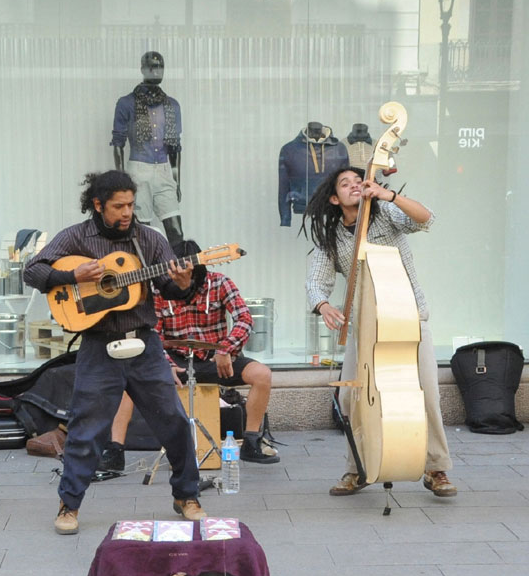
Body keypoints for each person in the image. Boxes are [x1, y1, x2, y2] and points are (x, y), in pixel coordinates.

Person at [23, 170, 205, 535]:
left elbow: (169, 287)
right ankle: (69, 504)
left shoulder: (149, 239)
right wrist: (73, 277)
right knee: (85, 428)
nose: (126, 213)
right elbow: (33, 271)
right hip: (98, 345)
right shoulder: (76, 237)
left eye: (131, 205)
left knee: (173, 420)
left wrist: (184, 285)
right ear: (98, 205)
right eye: (118, 206)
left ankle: (187, 496)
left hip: (144, 345)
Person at [302, 164, 456, 498]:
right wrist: (323, 305)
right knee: (350, 398)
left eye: (359, 180)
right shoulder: (332, 237)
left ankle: (436, 467)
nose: (354, 185)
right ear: (334, 198)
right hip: (365, 327)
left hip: (409, 319)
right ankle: (357, 467)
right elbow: (315, 280)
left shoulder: (385, 212)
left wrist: (390, 195)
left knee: (427, 393)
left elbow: (426, 219)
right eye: (345, 183)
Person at [101, 240, 280, 469]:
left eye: (190, 279)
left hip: (215, 357)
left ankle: (251, 442)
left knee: (262, 375)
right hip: (176, 360)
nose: (185, 286)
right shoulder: (159, 291)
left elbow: (244, 318)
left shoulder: (220, 282)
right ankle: (115, 451)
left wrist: (225, 348)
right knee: (129, 381)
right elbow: (153, 334)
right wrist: (166, 364)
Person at [111, 51, 184, 247]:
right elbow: (118, 142)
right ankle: (144, 267)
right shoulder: (126, 103)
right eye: (152, 67)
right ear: (142, 69)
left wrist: (176, 181)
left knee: (176, 232)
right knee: (141, 231)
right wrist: (121, 182)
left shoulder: (172, 105)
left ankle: (180, 266)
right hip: (139, 170)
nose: (157, 71)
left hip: (164, 170)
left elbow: (175, 147)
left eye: (160, 67)